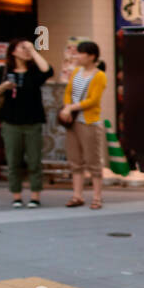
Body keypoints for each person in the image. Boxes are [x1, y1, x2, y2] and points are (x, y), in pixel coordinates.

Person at [0, 38, 54, 208]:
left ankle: (35, 195)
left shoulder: (34, 72)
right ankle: (16, 196)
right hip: (10, 121)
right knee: (13, 161)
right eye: (23, 48)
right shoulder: (3, 71)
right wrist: (4, 87)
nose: (26, 50)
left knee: (34, 160)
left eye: (28, 48)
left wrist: (34, 51)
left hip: (33, 121)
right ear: (13, 51)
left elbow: (48, 71)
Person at [60, 40, 108, 209]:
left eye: (81, 53)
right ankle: (77, 195)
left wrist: (70, 107)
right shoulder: (76, 72)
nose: (77, 56)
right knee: (75, 160)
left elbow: (93, 100)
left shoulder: (99, 75)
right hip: (72, 121)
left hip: (89, 122)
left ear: (91, 56)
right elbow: (68, 92)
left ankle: (97, 197)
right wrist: (67, 107)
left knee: (93, 160)